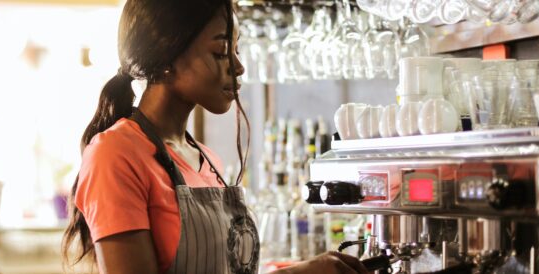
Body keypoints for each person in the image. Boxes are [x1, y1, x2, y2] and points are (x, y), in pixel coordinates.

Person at [62, 0, 370, 273]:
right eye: (222, 51)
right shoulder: (116, 154)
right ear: (166, 58)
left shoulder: (207, 161)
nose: (238, 66)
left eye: (236, 50)